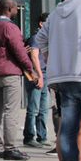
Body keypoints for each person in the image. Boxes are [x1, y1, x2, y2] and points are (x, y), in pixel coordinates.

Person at [35, 0, 81, 161]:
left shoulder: (56, 11)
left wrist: (49, 57)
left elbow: (40, 39)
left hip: (63, 77)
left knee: (67, 126)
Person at [0, 0, 32, 161]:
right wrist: (30, 68)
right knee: (11, 110)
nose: (17, 11)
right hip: (10, 72)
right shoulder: (9, 27)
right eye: (16, 8)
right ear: (9, 9)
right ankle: (10, 147)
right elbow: (19, 50)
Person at [24, 12, 50, 148]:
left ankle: (42, 136)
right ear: (41, 24)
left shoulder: (44, 38)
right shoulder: (36, 38)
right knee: (34, 108)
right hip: (36, 76)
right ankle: (29, 137)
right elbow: (34, 57)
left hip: (45, 75)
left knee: (44, 109)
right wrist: (39, 76)